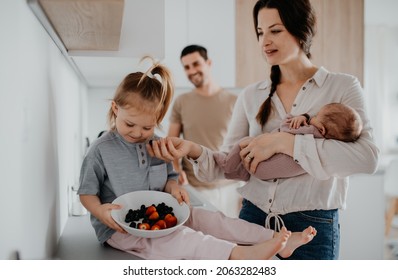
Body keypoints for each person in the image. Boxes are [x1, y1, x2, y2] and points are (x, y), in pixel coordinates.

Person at [147, 0, 379, 260]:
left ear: (301, 29)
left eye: (275, 30)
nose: (265, 41)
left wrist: (284, 143)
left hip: (312, 230)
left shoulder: (341, 87)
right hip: (252, 221)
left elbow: (367, 158)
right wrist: (194, 150)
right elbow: (229, 166)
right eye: (260, 32)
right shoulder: (250, 95)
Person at [77, 56, 317, 260]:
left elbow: (169, 177)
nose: (139, 134)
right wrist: (101, 214)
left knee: (214, 220)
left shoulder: (156, 144)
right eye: (130, 124)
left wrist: (174, 187)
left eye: (147, 127)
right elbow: (87, 193)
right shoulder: (100, 150)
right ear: (115, 108)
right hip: (122, 229)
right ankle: (239, 255)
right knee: (185, 239)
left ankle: (277, 240)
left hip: (159, 215)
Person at [168, 44, 241, 217]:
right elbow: (171, 144)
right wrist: (177, 172)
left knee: (231, 240)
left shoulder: (235, 101)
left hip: (230, 187)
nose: (191, 71)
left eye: (196, 64)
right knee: (201, 241)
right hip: (195, 187)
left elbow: (243, 145)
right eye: (186, 67)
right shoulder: (181, 102)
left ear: (208, 63)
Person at [214, 103, 363, 181]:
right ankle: (241, 172)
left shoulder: (310, 131)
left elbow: (285, 128)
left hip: (262, 168)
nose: (312, 117)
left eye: (316, 116)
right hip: (267, 171)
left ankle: (228, 165)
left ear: (322, 130)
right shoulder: (322, 144)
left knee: (244, 142)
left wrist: (298, 117)